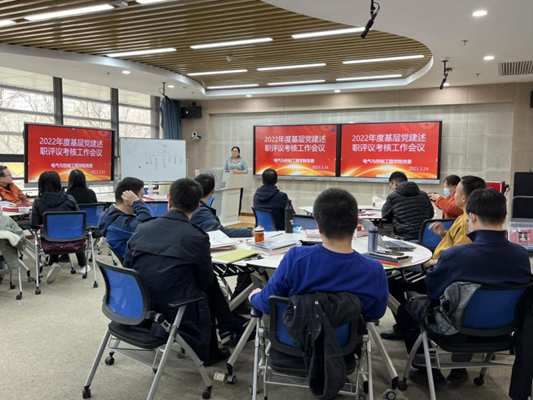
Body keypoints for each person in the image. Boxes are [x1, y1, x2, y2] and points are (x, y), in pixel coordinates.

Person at [397, 188, 533, 386]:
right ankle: (458, 369)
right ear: (504, 218)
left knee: (407, 308)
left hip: (456, 331)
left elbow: (433, 292)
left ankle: (428, 371)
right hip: (504, 329)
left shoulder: (457, 255)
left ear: (472, 217)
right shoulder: (521, 255)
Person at [124, 178, 247, 366]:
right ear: (197, 206)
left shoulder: (143, 227)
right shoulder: (196, 236)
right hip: (175, 307)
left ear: (169, 199)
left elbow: (128, 267)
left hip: (138, 303)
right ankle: (219, 337)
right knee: (209, 287)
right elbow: (205, 281)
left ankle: (227, 325)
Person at [249, 188, 389, 320]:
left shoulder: (296, 259)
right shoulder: (374, 270)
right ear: (355, 224)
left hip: (296, 335)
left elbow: (267, 303)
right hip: (349, 338)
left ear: (318, 226)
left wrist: (254, 297)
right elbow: (376, 313)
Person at [30, 171, 88, 284]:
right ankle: (83, 265)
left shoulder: (38, 201)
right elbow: (78, 219)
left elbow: (34, 224)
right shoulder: (69, 198)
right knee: (63, 229)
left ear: (40, 184)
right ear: (58, 183)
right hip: (73, 239)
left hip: (50, 241)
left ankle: (54, 262)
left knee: (51, 231)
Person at [424, 176, 486, 269]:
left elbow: (459, 257)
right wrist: (443, 233)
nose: (453, 195)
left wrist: (432, 262)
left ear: (463, 198)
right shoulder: (464, 217)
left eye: (456, 192)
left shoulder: (466, 223)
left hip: (441, 267)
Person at [98, 177, 152, 261]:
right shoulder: (120, 225)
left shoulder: (109, 214)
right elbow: (147, 226)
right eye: (141, 197)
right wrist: (137, 203)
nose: (142, 200)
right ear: (127, 198)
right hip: (140, 263)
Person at [191, 174, 253, 238]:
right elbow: (219, 232)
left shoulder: (192, 206)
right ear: (213, 191)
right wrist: (250, 232)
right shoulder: (201, 211)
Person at [381, 171, 434, 241]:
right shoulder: (424, 195)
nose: (392, 189)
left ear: (395, 183)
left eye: (391, 186)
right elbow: (431, 214)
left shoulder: (393, 196)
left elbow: (384, 215)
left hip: (404, 238)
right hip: (424, 238)